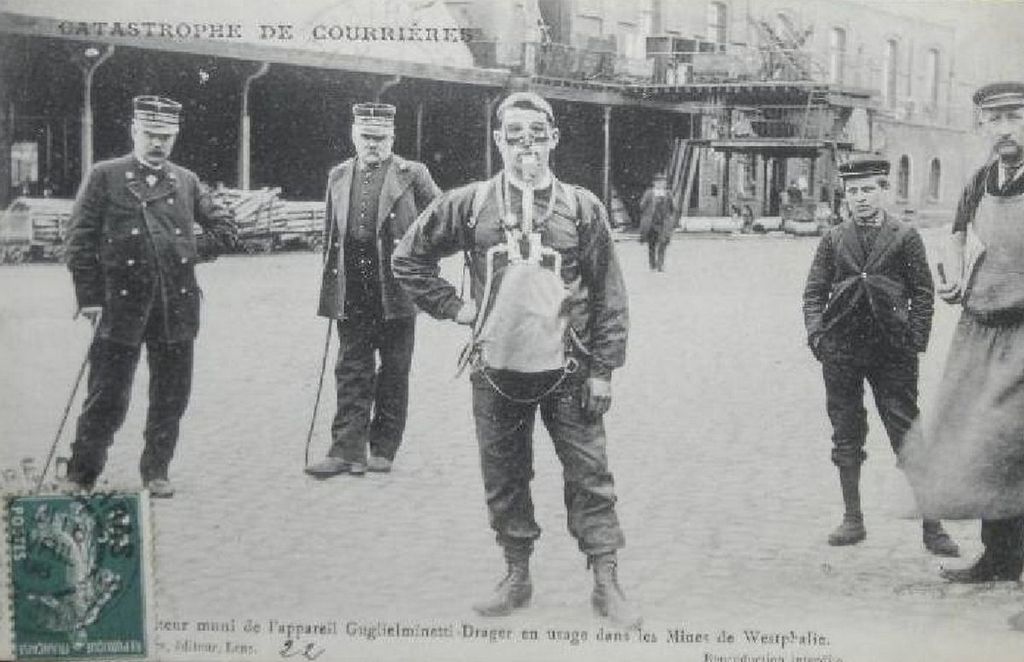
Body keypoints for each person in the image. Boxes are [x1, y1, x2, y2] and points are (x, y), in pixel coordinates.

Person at [391, 92, 638, 627]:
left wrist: (603, 370)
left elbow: (610, 294)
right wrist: (454, 307)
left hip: (570, 370)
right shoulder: (471, 203)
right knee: (504, 476)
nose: (527, 144)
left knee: (590, 473)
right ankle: (516, 575)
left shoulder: (582, 207)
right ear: (499, 140)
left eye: (537, 133)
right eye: (515, 134)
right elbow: (408, 258)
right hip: (496, 372)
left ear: (553, 138)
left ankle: (606, 580)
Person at [63, 96, 237, 498]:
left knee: (171, 396)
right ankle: (81, 473)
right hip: (118, 306)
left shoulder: (187, 181)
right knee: (107, 395)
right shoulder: (105, 175)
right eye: (150, 134)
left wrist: (189, 249)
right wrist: (89, 298)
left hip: (174, 306)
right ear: (134, 132)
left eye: (166, 136)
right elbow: (78, 241)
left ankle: (157, 470)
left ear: (174, 137)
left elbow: (226, 230)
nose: (157, 143)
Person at [802, 158, 959, 556]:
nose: (861, 198)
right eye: (853, 191)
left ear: (883, 189)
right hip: (841, 348)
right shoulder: (834, 238)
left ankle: (933, 524)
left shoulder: (905, 236)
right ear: (846, 196)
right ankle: (852, 519)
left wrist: (914, 340)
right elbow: (813, 292)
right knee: (846, 428)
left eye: (868, 189)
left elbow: (923, 293)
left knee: (906, 431)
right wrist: (817, 335)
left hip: (892, 350)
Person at [902, 82, 1024, 583]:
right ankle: (1000, 557)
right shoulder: (979, 181)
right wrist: (950, 276)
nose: (1004, 129)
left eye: (1015, 116)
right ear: (981, 126)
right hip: (979, 331)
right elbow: (957, 235)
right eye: (993, 120)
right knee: (982, 444)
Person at [305, 103, 440, 478]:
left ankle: (383, 448)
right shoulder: (338, 175)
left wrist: (423, 267)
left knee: (394, 371)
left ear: (392, 138)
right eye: (367, 137)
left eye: (381, 138)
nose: (374, 145)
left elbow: (441, 220)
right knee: (351, 368)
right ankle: (346, 450)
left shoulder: (413, 174)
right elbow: (332, 234)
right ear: (354, 135)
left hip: (396, 290)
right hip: (354, 289)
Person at [637, 172, 676, 271]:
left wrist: (669, 219)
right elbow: (642, 206)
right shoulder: (649, 193)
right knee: (652, 245)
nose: (660, 184)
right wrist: (648, 213)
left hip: (663, 223)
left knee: (663, 244)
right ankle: (652, 265)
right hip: (651, 223)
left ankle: (660, 265)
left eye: (663, 182)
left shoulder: (668, 194)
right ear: (654, 183)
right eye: (658, 182)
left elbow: (673, 208)